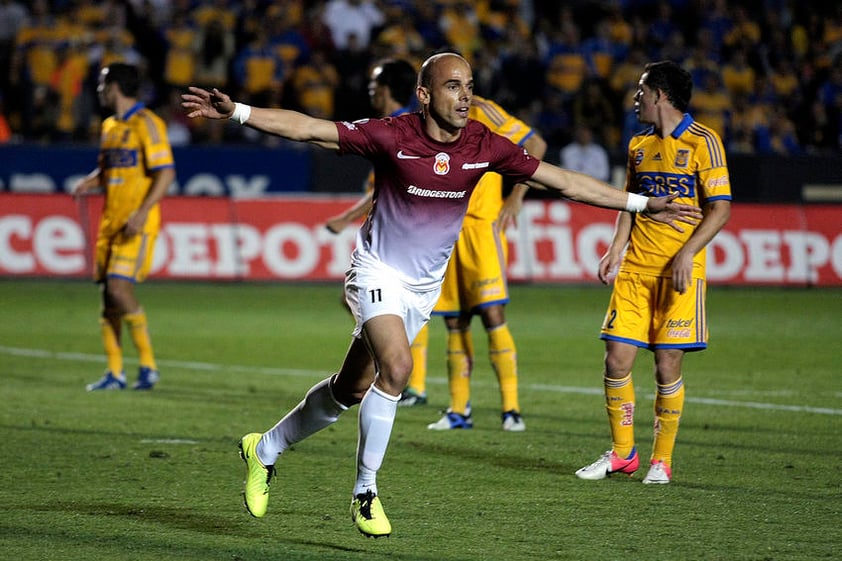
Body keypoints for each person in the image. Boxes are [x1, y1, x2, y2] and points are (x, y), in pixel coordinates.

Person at [181, 52, 700, 538]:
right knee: (399, 370)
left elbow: (561, 180)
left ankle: (264, 447)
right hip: (377, 269)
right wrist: (240, 112)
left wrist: (638, 203)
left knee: (349, 389)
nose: (465, 96)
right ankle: (366, 491)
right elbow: (311, 129)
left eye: (470, 86)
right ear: (424, 95)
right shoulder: (392, 134)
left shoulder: (484, 143)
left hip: (423, 287)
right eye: (453, 86)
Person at [574, 60, 731, 485]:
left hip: (680, 272)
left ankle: (662, 460)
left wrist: (687, 253)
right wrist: (614, 249)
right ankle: (623, 453)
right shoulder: (638, 145)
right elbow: (630, 202)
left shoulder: (704, 142)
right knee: (616, 359)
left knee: (666, 365)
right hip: (637, 268)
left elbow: (720, 209)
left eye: (641, 90)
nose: (635, 99)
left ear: (660, 94)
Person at [420, 96, 547, 433]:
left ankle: (511, 409)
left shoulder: (482, 110)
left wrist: (516, 197)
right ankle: (459, 410)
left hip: (480, 228)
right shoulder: (425, 119)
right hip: (444, 232)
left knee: (492, 315)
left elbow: (536, 143)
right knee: (454, 321)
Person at [72, 62, 176, 391]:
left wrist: (144, 211)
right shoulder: (109, 127)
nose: (99, 89)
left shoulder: (149, 123)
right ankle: (115, 373)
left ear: (115, 86)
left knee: (119, 288)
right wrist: (90, 181)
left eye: (103, 84)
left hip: (137, 222)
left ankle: (148, 366)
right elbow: (109, 169)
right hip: (111, 222)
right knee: (107, 297)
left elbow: (166, 172)